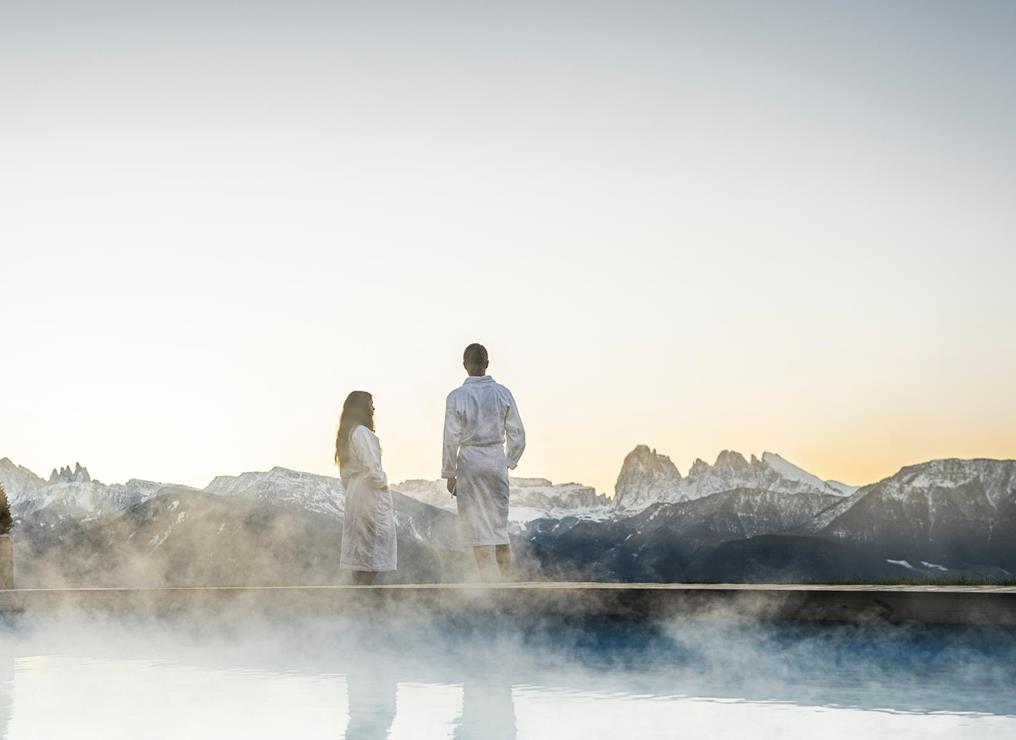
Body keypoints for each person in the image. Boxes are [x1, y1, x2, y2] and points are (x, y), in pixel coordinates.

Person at [442, 343, 525, 581]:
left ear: (464, 365)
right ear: (487, 364)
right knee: (499, 525)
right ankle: (506, 581)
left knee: (477, 528)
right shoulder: (502, 393)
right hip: (495, 458)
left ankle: (487, 583)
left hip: (469, 461)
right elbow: (518, 434)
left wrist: (449, 473)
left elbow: (450, 438)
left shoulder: (456, 397)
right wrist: (509, 461)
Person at [335, 390, 396, 585]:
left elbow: (344, 474)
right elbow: (372, 468)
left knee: (360, 550)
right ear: (361, 408)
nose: (373, 409)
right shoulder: (362, 433)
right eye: (370, 404)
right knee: (374, 547)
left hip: (355, 492)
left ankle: (357, 599)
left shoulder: (348, 435)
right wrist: (383, 484)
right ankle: (363, 594)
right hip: (369, 493)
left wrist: (354, 490)